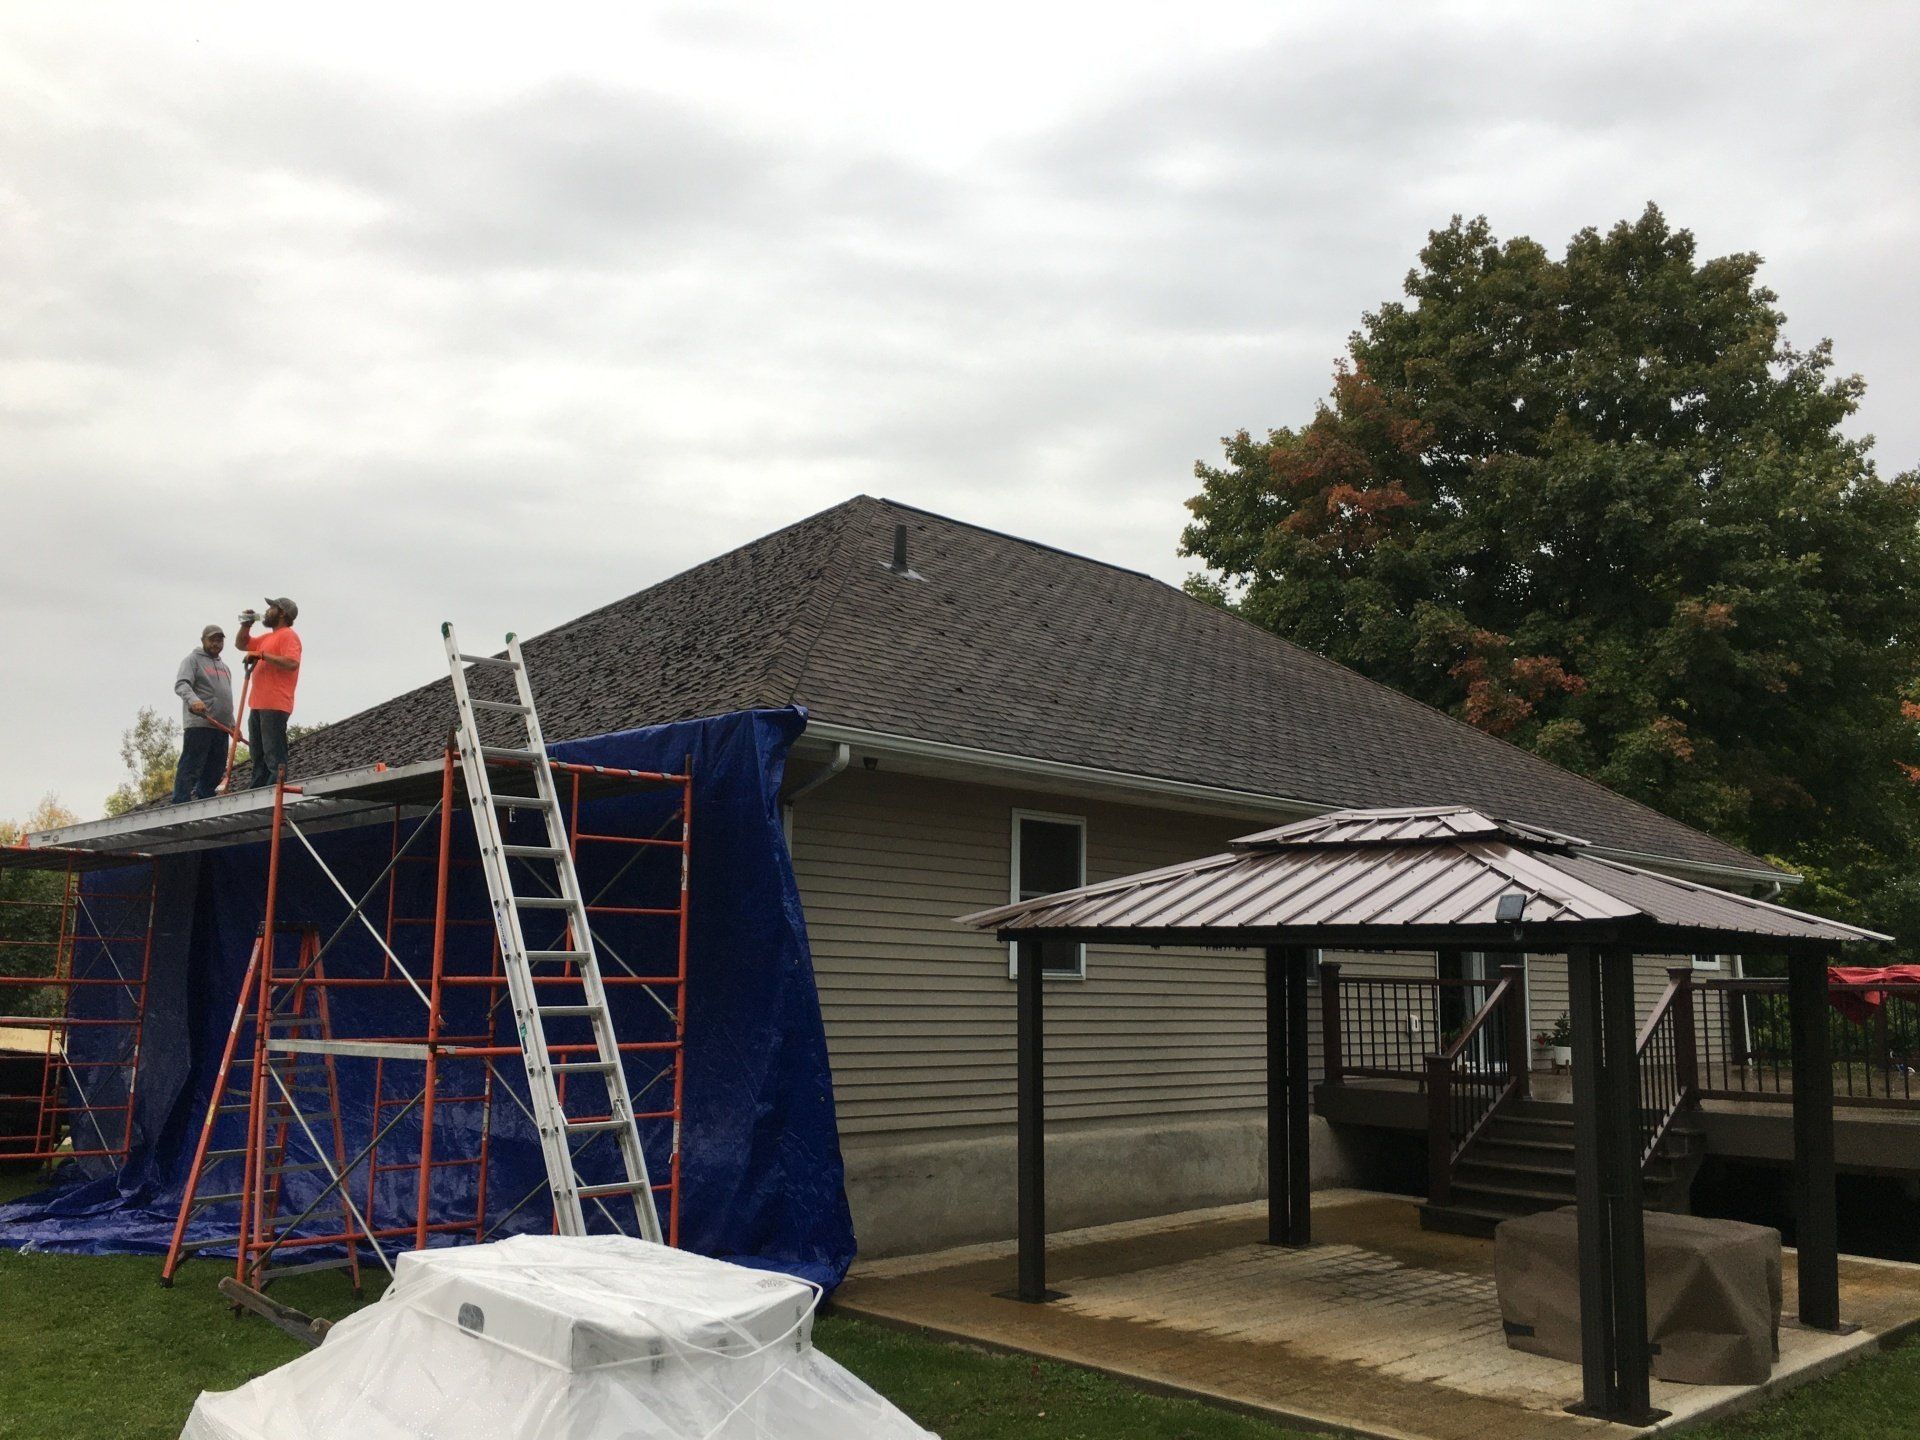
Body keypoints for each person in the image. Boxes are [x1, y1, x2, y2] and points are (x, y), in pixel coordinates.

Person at [235, 597, 302, 790]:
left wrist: (262, 655)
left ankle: (275, 787)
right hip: (258, 703)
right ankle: (259, 786)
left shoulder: (288, 636)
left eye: (271, 607)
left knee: (273, 750)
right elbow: (241, 644)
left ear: (282, 613)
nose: (267, 611)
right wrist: (246, 625)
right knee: (257, 751)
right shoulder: (266, 638)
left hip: (275, 704)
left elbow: (292, 662)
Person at [171, 624, 235, 803]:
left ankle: (205, 797)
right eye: (212, 639)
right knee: (193, 763)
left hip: (221, 726)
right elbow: (182, 684)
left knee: (216, 767)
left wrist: (233, 724)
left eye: (219, 640)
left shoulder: (224, 667)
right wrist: (194, 700)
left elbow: (225, 697)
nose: (216, 643)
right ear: (203, 640)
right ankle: (181, 800)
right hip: (200, 722)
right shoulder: (192, 660)